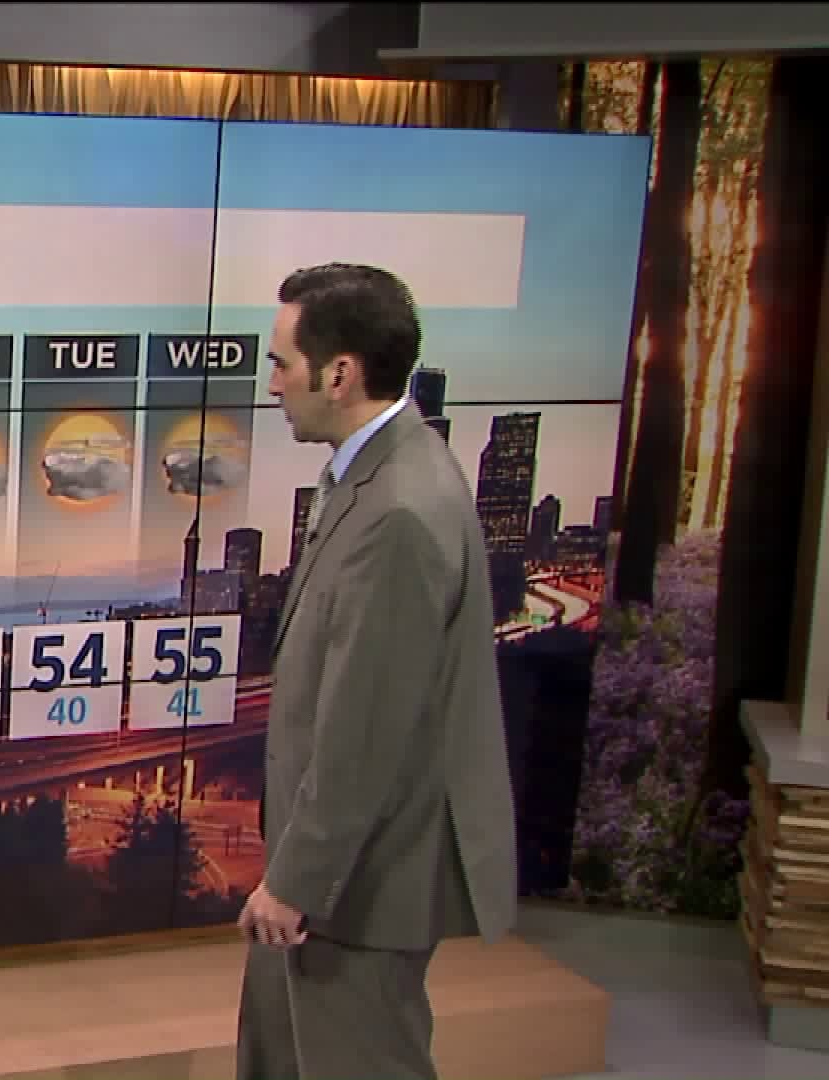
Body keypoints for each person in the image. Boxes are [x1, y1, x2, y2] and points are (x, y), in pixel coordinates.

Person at [235, 263, 517, 1080]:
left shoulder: (398, 512)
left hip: (358, 886)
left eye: (281, 363)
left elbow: (365, 730)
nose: (273, 383)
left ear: (340, 373)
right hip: (331, 878)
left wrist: (296, 880)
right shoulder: (378, 473)